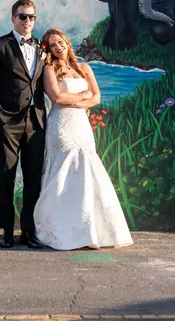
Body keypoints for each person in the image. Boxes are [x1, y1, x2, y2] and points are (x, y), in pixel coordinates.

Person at [0, 0, 89, 248]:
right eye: (22, 16)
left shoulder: (42, 47)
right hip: (8, 121)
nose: (27, 21)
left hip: (36, 120)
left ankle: (28, 232)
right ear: (13, 18)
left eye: (31, 17)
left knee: (33, 179)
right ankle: (7, 231)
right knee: (6, 177)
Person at [33, 28, 133, 250]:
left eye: (60, 42)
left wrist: (79, 102)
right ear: (48, 50)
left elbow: (96, 97)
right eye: (52, 45)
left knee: (87, 169)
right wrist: (81, 98)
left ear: (67, 42)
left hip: (81, 124)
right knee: (65, 167)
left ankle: (90, 230)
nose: (58, 47)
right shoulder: (50, 69)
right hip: (62, 125)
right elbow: (56, 97)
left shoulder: (84, 67)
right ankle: (63, 228)